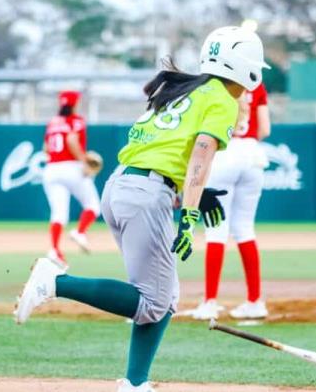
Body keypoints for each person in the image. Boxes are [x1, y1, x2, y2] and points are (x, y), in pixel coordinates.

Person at [14, 26, 269, 392]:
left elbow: (166, 151)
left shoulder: (189, 88)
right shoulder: (221, 100)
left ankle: (135, 383)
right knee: (153, 301)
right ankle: (55, 282)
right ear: (244, 67)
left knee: (162, 298)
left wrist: (189, 194)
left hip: (124, 186)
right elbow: (200, 153)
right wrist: (190, 212)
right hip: (146, 194)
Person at [191, 82, 271, 321]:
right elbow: (264, 129)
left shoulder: (215, 84)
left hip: (225, 155)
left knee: (216, 231)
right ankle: (255, 301)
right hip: (253, 155)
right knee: (245, 230)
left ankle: (210, 302)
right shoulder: (258, 86)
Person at [42, 90, 100, 266]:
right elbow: (72, 141)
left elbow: (45, 148)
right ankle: (80, 232)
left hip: (51, 169)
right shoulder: (76, 121)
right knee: (93, 206)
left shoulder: (53, 122)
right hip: (71, 168)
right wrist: (84, 162)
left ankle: (54, 249)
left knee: (59, 214)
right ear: (75, 103)